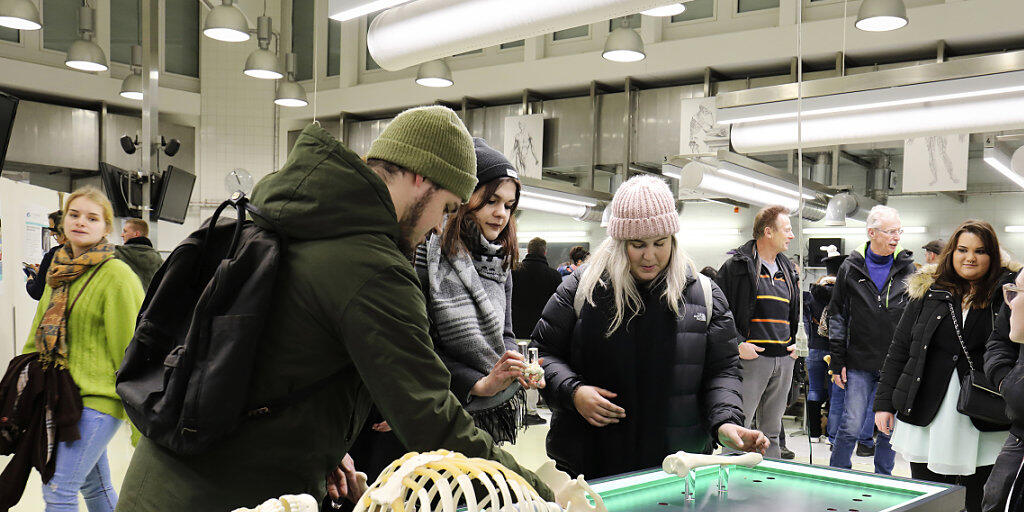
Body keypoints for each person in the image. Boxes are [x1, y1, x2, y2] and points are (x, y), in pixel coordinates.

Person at [115, 107, 553, 512]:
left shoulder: (295, 217)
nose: (440, 224)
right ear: (422, 179)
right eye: (446, 207)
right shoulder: (371, 264)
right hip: (220, 493)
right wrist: (539, 492)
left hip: (166, 475)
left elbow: (276, 357)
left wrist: (324, 446)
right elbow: (431, 419)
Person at [534, 174, 767, 479]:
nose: (650, 255)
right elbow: (543, 354)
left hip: (676, 469)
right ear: (619, 243)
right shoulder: (583, 289)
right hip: (590, 464)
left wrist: (725, 422)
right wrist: (573, 393)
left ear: (673, 239)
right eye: (637, 244)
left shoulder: (705, 295)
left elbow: (722, 371)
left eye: (660, 243)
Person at [875, 220, 1013, 512]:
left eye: (980, 251)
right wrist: (884, 403)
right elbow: (900, 349)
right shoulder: (929, 292)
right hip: (927, 408)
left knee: (980, 497)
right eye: (962, 249)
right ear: (951, 252)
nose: (970, 257)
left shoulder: (1005, 296)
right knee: (930, 497)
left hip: (982, 414)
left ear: (994, 256)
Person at [21, 186, 145, 511]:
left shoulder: (117, 276)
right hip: (63, 396)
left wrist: (139, 424)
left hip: (100, 400)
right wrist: (24, 386)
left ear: (107, 229)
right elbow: (36, 335)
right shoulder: (58, 272)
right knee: (96, 486)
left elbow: (132, 352)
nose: (81, 222)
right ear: (63, 223)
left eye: (92, 217)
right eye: (74, 215)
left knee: (58, 489)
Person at [415, 137, 544, 444]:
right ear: (464, 198)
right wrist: (478, 383)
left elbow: (506, 332)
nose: (502, 213)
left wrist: (515, 364)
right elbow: (421, 345)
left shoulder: (500, 262)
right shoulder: (426, 255)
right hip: (437, 411)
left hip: (491, 413)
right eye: (491, 201)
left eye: (509, 205)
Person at [828, 205, 916, 475]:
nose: (896, 237)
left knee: (887, 425)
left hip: (895, 363)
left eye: (898, 231)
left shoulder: (907, 268)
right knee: (852, 423)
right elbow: (837, 315)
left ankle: (884, 477)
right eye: (890, 231)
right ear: (871, 233)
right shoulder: (850, 267)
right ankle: (838, 472)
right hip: (859, 361)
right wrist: (837, 360)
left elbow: (915, 317)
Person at [714, 205, 799, 459]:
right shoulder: (736, 266)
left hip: (784, 360)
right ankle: (726, 488)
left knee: (772, 432)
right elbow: (719, 312)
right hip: (751, 360)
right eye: (787, 230)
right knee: (737, 431)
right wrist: (738, 344)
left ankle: (768, 484)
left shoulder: (788, 270)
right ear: (768, 232)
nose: (792, 235)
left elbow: (792, 312)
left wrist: (795, 343)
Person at [985, 270, 1024, 512]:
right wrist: (1006, 382)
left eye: (1019, 293)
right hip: (1019, 431)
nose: (1012, 302)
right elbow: (998, 343)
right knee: (997, 500)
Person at [804, 253, 846, 443]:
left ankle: (813, 433)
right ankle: (831, 434)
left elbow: (805, 323)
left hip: (815, 347)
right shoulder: (844, 295)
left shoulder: (812, 296)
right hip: (836, 349)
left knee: (814, 389)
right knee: (835, 392)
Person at [512, 237, 564, 339]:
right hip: (542, 330)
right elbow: (558, 307)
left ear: (528, 251)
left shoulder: (513, 272)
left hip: (516, 329)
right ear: (545, 252)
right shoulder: (555, 276)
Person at [24, 210, 65, 300]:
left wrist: (30, 280)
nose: (50, 234)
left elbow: (37, 292)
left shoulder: (53, 255)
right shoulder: (83, 253)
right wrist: (42, 272)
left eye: (52, 230)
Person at [113, 218, 163, 290]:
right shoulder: (159, 260)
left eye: (125, 231)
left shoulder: (117, 254)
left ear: (136, 234)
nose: (122, 235)